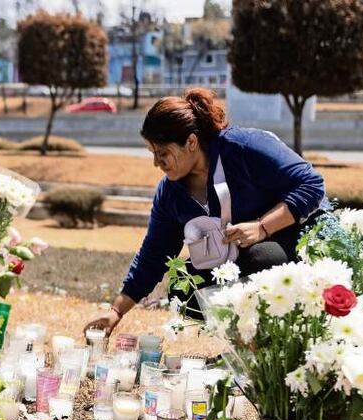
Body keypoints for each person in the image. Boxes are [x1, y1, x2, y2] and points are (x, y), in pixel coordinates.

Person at [84, 88, 327, 337]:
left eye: (163, 153)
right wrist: (116, 311)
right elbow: (153, 254)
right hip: (237, 260)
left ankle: (281, 341)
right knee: (183, 285)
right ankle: (242, 345)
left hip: (292, 244)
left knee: (262, 258)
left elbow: (311, 184)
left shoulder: (244, 146)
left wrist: (262, 227)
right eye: (152, 153)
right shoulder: (170, 192)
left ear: (191, 142)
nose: (156, 162)